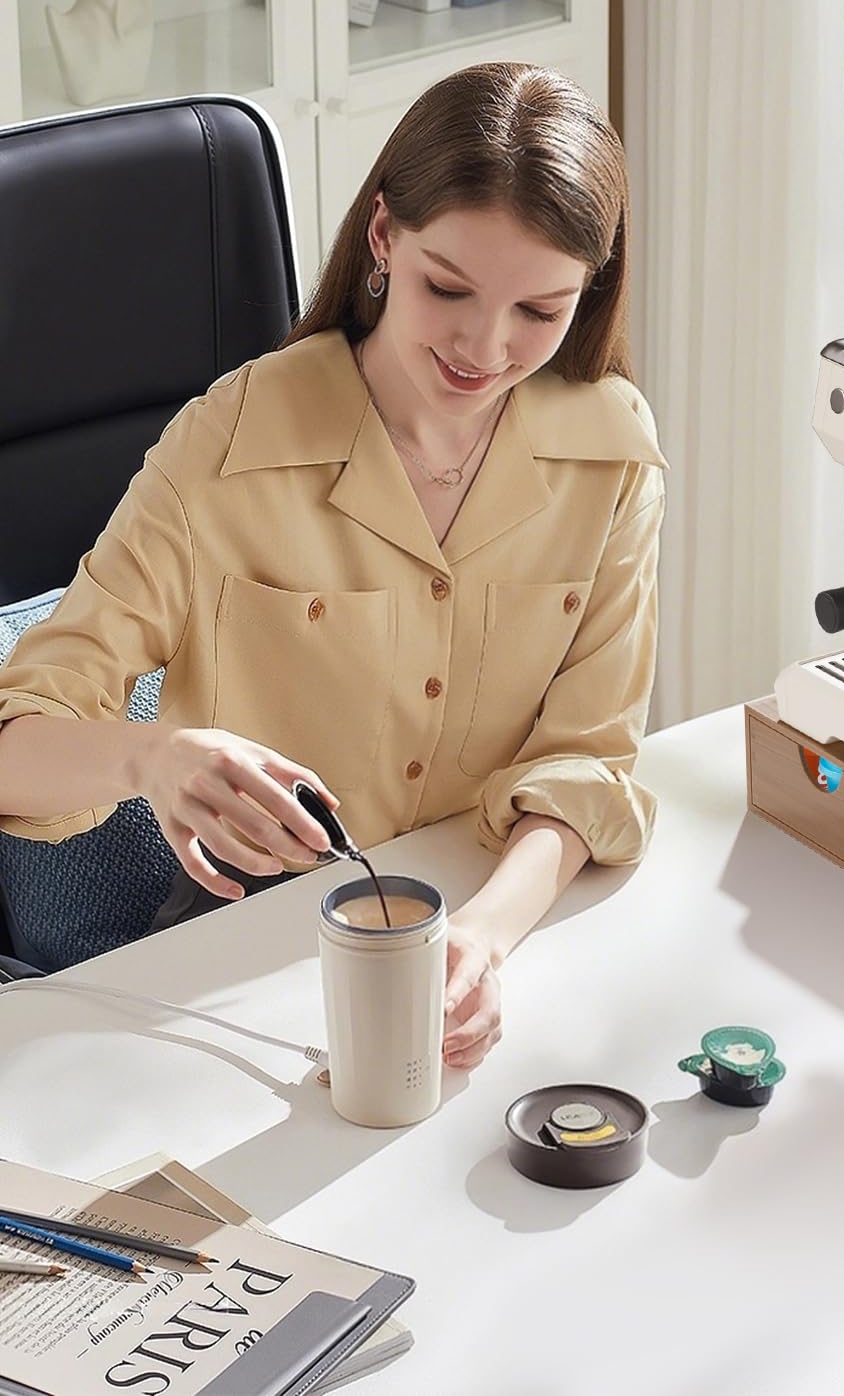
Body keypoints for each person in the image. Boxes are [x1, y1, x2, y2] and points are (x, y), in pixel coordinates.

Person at [0, 61, 668, 1071]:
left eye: (540, 311)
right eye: (450, 287)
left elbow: (589, 762)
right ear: (384, 238)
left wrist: (483, 940)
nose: (485, 349)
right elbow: (16, 741)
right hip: (258, 955)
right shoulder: (228, 441)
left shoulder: (612, 454)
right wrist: (151, 759)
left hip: (497, 924)